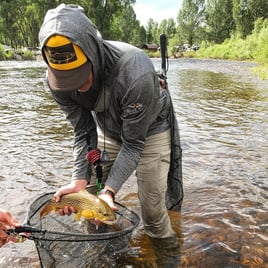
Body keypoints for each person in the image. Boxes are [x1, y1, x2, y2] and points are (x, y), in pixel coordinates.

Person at [39, 4, 183, 240]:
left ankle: (166, 254)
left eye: (81, 74)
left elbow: (134, 144)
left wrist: (110, 191)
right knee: (90, 205)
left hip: (149, 132)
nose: (76, 86)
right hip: (108, 130)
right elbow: (83, 131)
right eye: (66, 79)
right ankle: (100, 251)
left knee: (152, 212)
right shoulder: (56, 80)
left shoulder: (136, 72)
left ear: (94, 51)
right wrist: (79, 179)